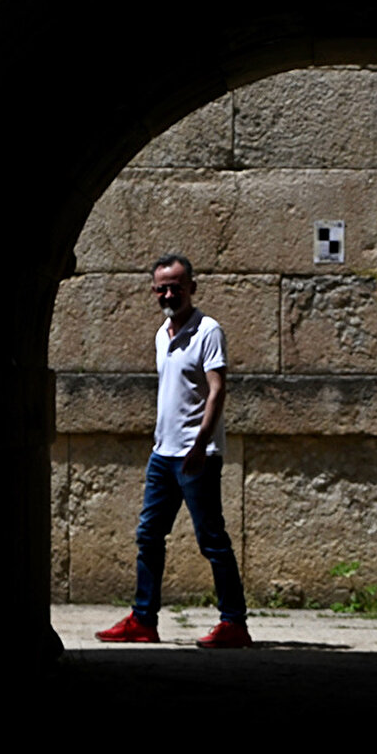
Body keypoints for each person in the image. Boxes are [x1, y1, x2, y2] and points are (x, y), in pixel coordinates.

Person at [95, 254, 252, 648]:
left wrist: (200, 446)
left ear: (192, 289)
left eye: (176, 287)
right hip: (162, 455)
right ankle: (143, 619)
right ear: (154, 290)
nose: (169, 294)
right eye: (162, 288)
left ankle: (234, 623)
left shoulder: (208, 331)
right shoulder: (162, 332)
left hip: (195, 454)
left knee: (212, 539)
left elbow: (217, 391)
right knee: (149, 535)